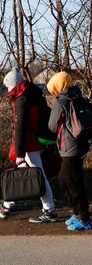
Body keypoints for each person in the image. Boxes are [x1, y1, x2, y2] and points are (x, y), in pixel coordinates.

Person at [0, 68, 57, 223]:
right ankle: (6, 205)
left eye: (8, 86)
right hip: (37, 141)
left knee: (38, 177)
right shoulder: (34, 94)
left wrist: (19, 153)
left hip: (29, 144)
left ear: (14, 84)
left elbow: (20, 128)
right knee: (24, 174)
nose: (7, 89)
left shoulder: (22, 100)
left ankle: (49, 210)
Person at [46, 71, 92, 230]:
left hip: (69, 148)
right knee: (67, 180)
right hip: (81, 146)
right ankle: (77, 213)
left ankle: (84, 218)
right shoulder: (78, 96)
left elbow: (52, 127)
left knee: (72, 184)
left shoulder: (60, 102)